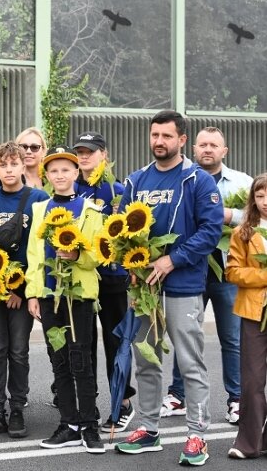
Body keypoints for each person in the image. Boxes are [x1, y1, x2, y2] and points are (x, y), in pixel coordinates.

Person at [114, 110, 222, 466]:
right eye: (154, 135)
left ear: (181, 140)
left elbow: (209, 232)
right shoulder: (135, 181)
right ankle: (148, 429)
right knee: (146, 360)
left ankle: (196, 435)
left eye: (166, 136)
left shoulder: (198, 180)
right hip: (143, 288)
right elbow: (121, 233)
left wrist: (172, 260)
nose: (159, 141)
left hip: (183, 285)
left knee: (190, 361)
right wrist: (130, 265)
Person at [161, 127, 252, 424]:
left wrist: (226, 215)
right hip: (188, 270)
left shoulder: (243, 183)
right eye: (203, 144)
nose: (207, 149)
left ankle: (236, 399)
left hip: (227, 272)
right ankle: (178, 395)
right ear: (194, 148)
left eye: (214, 145)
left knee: (232, 338)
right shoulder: (181, 179)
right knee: (184, 335)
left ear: (224, 151)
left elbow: (259, 218)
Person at [26, 146, 105, 454]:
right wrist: (33, 292)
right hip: (49, 295)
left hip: (78, 297)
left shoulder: (91, 210)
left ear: (76, 173)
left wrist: (77, 255)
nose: (59, 175)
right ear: (47, 175)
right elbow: (34, 255)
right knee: (58, 361)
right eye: (54, 170)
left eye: (65, 170)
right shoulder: (40, 209)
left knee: (81, 360)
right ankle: (69, 423)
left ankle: (90, 425)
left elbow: (99, 254)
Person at [0, 142, 49, 439]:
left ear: (23, 166)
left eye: (14, 164)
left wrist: (22, 291)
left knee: (18, 352)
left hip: (22, 292)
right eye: (2, 165)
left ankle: (17, 408)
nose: (8, 170)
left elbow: (38, 250)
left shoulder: (38, 199)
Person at [72, 132, 135, 433]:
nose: (84, 157)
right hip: (83, 278)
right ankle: (89, 403)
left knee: (115, 343)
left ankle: (122, 402)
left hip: (112, 279)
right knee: (84, 344)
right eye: (80, 152)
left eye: (90, 152)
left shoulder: (117, 189)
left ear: (104, 155)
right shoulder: (71, 188)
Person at [225, 173, 267, 459]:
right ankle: (248, 443)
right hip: (254, 311)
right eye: (260, 195)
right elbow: (232, 272)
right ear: (253, 199)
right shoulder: (244, 232)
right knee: (252, 380)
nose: (265, 201)